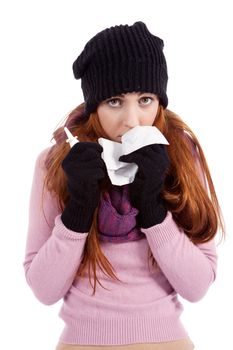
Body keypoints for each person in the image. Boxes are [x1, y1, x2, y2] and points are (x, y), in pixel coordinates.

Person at [23, 21, 225, 350]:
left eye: (145, 99)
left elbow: (198, 285)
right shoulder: (56, 164)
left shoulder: (182, 158)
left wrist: (153, 209)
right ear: (94, 106)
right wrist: (78, 209)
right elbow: (44, 290)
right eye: (115, 102)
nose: (132, 120)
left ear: (160, 102)